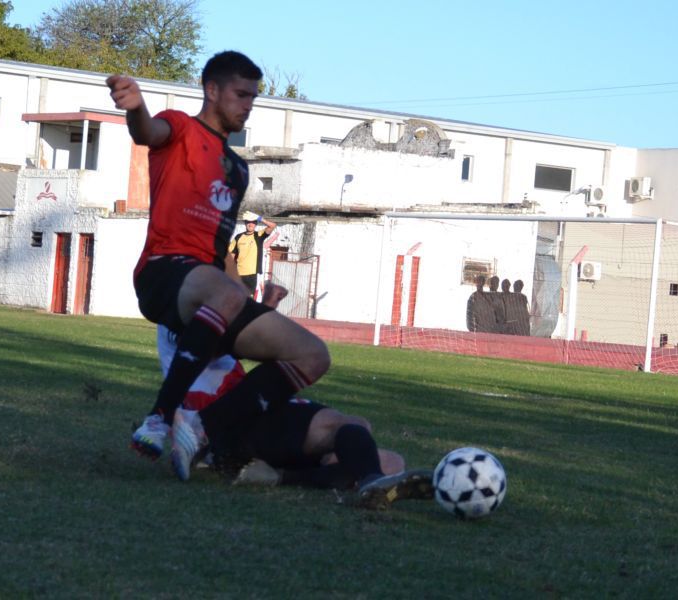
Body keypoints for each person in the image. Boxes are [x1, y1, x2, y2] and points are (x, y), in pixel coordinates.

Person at [107, 51, 330, 481]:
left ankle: (204, 428)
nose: (248, 105)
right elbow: (148, 131)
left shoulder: (239, 169)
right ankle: (160, 416)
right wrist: (136, 108)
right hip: (164, 272)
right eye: (241, 94)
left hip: (209, 285)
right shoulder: (181, 127)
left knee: (313, 355)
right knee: (222, 293)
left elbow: (219, 248)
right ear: (212, 90)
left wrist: (254, 303)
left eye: (254, 97)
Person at [151, 284, 435, 510]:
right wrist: (263, 313)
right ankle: (361, 481)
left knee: (391, 462)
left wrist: (263, 308)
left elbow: (228, 339)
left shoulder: (196, 296)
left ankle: (274, 473)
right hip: (225, 415)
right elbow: (208, 345)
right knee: (351, 429)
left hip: (246, 409)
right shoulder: (182, 311)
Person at [229, 211, 276, 296]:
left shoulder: (259, 235)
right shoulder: (238, 237)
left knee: (252, 300)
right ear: (245, 223)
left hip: (254, 275)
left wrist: (260, 218)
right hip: (239, 274)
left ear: (256, 224)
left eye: (253, 222)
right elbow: (231, 256)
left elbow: (272, 226)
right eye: (248, 222)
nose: (250, 224)